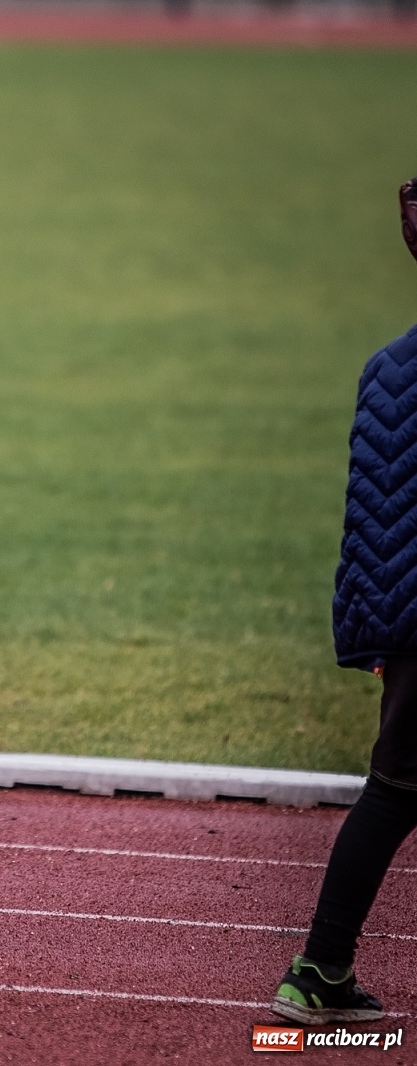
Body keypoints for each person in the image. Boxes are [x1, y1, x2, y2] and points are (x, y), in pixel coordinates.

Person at [272, 176, 417, 1025]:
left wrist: (374, 633)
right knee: (397, 789)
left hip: (406, 631)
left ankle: (320, 972)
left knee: (396, 787)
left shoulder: (390, 368)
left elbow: (375, 517)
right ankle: (317, 971)